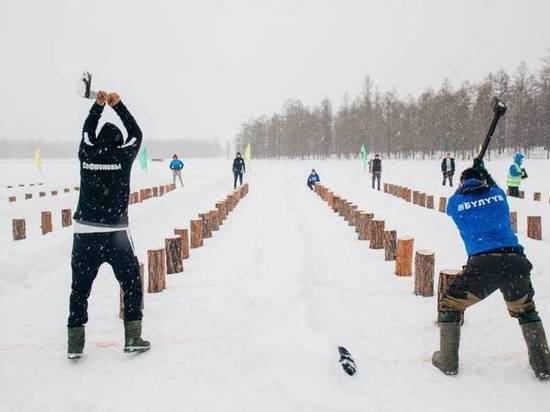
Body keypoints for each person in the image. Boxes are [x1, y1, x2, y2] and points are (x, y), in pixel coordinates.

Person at [433, 159, 549, 380]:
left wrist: (471, 179)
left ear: (462, 184)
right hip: (516, 261)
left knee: (450, 304)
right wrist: (483, 170)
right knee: (526, 311)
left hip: (483, 264)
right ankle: (543, 365)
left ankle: (448, 360)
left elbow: (457, 198)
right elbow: (493, 185)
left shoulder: (456, 204)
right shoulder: (498, 196)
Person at [68, 90, 150, 359]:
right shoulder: (124, 156)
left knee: (79, 290)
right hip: (115, 234)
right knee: (131, 284)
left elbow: (86, 133)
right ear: (119, 141)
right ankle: (133, 337)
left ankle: (74, 344)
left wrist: (98, 106)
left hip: (85, 234)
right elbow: (136, 134)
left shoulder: (86, 153)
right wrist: (118, 105)